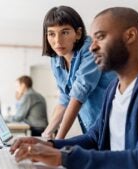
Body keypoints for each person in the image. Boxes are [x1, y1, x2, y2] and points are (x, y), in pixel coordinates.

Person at [10, 7, 138, 169]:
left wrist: (64, 157)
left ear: (130, 36)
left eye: (100, 37)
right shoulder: (113, 89)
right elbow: (93, 138)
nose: (92, 48)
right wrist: (50, 144)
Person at [41, 6, 115, 139]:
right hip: (93, 128)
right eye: (51, 34)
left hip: (113, 124)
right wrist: (46, 134)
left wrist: (58, 141)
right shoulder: (56, 59)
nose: (57, 41)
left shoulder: (91, 48)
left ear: (78, 34)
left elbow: (79, 93)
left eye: (64, 32)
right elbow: (65, 98)